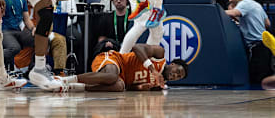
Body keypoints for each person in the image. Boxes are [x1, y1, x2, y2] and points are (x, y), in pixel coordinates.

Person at [52, 44, 188, 92]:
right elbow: (136, 47)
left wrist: (141, 88)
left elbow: (129, 88)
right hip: (114, 59)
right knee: (112, 77)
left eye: (179, 77)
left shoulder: (159, 86)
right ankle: (64, 79)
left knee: (118, 87)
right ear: (172, 64)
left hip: (122, 78)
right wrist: (152, 70)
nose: (176, 75)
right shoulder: (159, 55)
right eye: (178, 71)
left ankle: (73, 88)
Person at [226, 0, 273, 82]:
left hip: (257, 46)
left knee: (257, 79)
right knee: (264, 77)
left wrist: (216, 11)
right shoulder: (256, 4)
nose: (230, 0)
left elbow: (234, 13)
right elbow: (267, 23)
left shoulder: (244, 4)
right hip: (266, 45)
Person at [0, 0, 35, 74]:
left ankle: (32, 70)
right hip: (3, 30)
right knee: (14, 48)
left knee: (41, 40)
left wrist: (33, 29)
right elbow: (1, 13)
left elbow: (26, 19)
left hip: (17, 31)